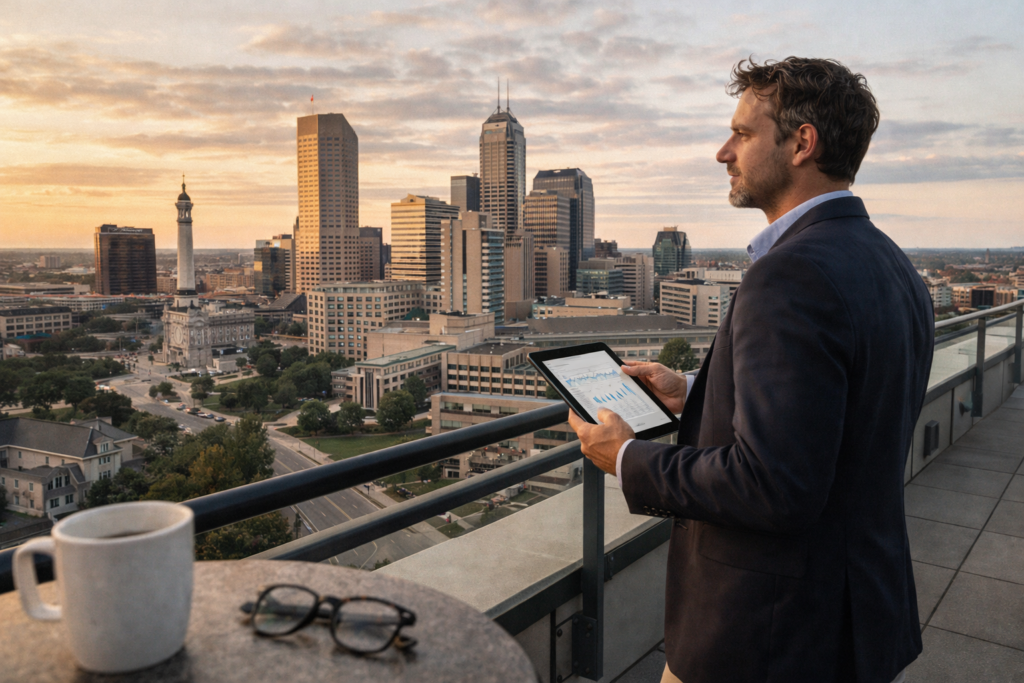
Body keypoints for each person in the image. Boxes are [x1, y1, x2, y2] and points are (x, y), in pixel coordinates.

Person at [568, 57, 933, 683]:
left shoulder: (790, 275)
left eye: (742, 133)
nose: (722, 151)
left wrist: (628, 458)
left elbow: (774, 485)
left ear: (802, 143)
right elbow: (834, 420)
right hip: (858, 612)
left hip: (764, 636)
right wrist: (695, 394)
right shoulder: (892, 264)